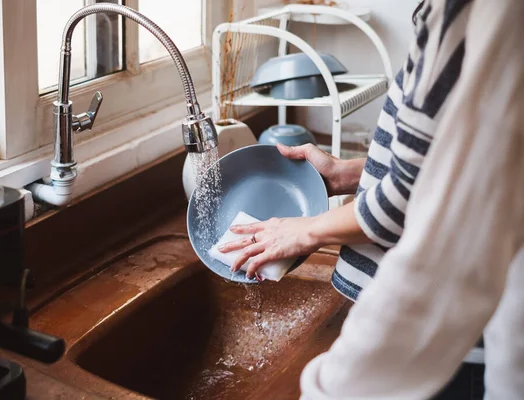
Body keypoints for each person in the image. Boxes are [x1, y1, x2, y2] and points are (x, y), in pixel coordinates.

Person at [219, 0, 524, 397]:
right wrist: (344, 174)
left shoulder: (472, 11)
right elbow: (450, 161)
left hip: (447, 344)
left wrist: (306, 230)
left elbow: (403, 205)